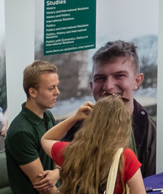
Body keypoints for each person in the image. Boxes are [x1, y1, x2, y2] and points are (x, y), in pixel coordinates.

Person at [41, 96, 149, 194]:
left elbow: (46, 139)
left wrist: (75, 117)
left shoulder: (72, 152)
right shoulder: (126, 158)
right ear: (123, 124)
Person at [63, 41, 157, 175]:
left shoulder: (151, 134)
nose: (108, 86)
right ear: (91, 85)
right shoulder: (77, 128)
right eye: (100, 78)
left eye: (119, 76)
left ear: (137, 81)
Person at [4, 61, 66, 194]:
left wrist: (57, 172)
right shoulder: (21, 131)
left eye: (57, 86)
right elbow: (42, 185)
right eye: (51, 88)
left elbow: (57, 154)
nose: (57, 92)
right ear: (32, 92)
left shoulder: (47, 116)